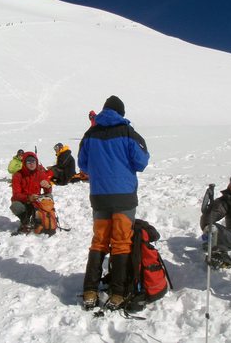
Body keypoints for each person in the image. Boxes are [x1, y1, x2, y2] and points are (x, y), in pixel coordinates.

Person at [79, 95, 150, 310]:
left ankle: (90, 289)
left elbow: (83, 164)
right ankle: (117, 293)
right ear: (121, 113)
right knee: (121, 243)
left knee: (99, 241)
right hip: (124, 197)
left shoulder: (90, 134)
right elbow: (141, 162)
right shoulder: (128, 132)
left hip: (99, 197)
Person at [10, 152, 52, 233]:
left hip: (37, 200)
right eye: (28, 162)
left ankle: (44, 218)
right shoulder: (17, 175)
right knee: (15, 206)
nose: (31, 164)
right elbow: (15, 195)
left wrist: (48, 186)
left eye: (33, 161)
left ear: (36, 162)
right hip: (24, 201)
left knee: (49, 196)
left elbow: (48, 191)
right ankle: (25, 221)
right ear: (24, 163)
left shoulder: (40, 173)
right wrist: (28, 198)